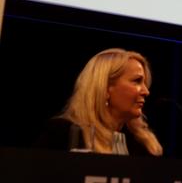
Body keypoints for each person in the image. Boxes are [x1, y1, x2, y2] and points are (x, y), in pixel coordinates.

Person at [34, 48, 163, 156]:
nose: (146, 91)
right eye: (137, 81)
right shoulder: (64, 134)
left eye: (144, 83)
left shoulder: (142, 144)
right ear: (105, 88)